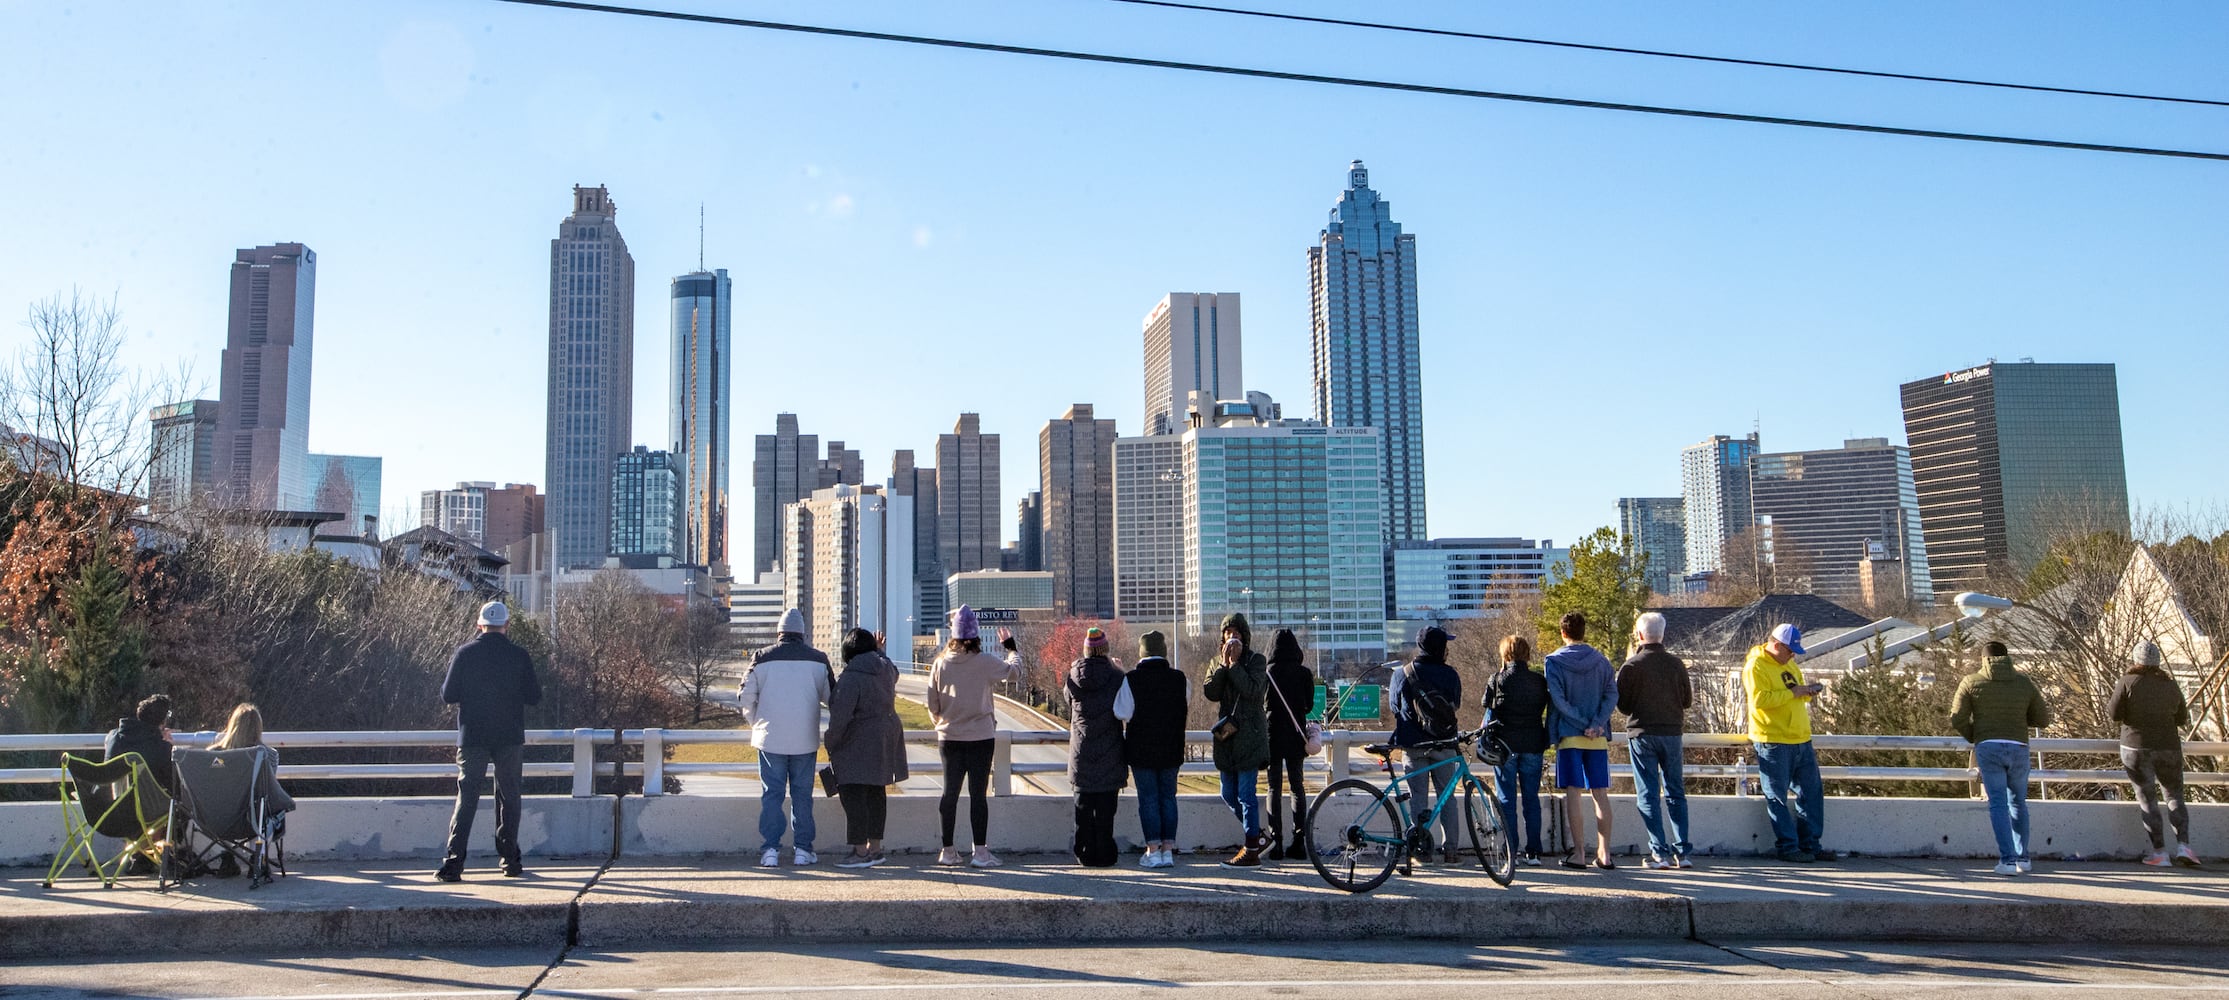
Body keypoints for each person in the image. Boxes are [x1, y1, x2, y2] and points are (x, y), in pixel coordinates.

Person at [438, 600, 543, 882]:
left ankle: (453, 863)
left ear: (479, 624)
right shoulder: (519, 656)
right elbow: (534, 697)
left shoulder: (465, 653)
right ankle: (510, 861)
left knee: (467, 796)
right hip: (509, 736)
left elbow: (448, 695)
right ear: (507, 625)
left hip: (473, 736)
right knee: (509, 795)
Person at [926, 605, 1024, 868]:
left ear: (953, 637)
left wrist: (943, 723)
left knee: (950, 793)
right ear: (976, 636)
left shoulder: (940, 664)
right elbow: (1014, 673)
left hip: (949, 737)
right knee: (978, 795)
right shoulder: (985, 662)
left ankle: (947, 851)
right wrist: (1012, 649)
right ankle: (980, 853)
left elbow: (932, 705)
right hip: (981, 737)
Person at [739, 608, 833, 868]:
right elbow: (832, 698)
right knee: (802, 796)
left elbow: (744, 696)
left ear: (779, 633)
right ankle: (803, 849)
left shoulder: (761, 658)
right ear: (802, 634)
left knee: (772, 795)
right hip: (805, 739)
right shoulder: (819, 660)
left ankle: (770, 849)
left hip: (770, 739)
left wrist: (756, 722)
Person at [1950, 640, 2052, 876]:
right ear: (2008, 659)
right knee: (2018, 802)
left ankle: (2006, 860)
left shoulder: (1971, 681)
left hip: (1989, 747)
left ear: (1983, 660)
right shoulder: (2024, 683)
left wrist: (1976, 735)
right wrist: (2017, 720)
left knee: (1998, 803)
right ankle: (2023, 858)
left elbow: (1957, 719)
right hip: (2018, 746)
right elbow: (2043, 719)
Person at [1744, 622, 1833, 863]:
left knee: (1811, 794)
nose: (1793, 655)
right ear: (1775, 645)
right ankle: (1788, 846)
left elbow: (1791, 693)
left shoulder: (1789, 663)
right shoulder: (1756, 665)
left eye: (1795, 651)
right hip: (1773, 740)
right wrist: (1794, 693)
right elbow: (1760, 699)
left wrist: (1805, 692)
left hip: (1800, 738)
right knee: (1776, 796)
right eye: (1789, 650)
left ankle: (1810, 844)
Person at [2108, 640, 2199, 868]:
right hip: (2168, 746)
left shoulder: (2127, 682)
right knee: (2175, 795)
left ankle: (2160, 853)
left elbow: (2114, 714)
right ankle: (2184, 847)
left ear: (2136, 660)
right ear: (2158, 661)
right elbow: (2181, 718)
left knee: (2147, 799)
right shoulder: (2170, 684)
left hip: (2136, 747)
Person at [824, 628, 908, 869]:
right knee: (875, 793)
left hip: (856, 742)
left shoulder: (851, 677)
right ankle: (875, 849)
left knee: (853, 794)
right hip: (884, 738)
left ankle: (860, 853)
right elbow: (892, 667)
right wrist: (880, 651)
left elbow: (840, 716)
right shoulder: (885, 670)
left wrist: (831, 741)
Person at [1618, 611, 1694, 869]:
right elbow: (1687, 701)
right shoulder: (1676, 664)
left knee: (1648, 793)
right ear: (1663, 634)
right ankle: (1682, 852)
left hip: (1642, 734)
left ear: (1639, 635)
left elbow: (1624, 707)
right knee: (1675, 792)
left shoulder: (1631, 666)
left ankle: (1659, 853)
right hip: (1672, 732)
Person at [1545, 612, 1618, 869]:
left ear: (1563, 632)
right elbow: (1611, 694)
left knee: (1574, 793)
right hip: (1596, 737)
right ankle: (1605, 853)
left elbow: (1558, 699)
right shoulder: (1601, 661)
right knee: (1600, 793)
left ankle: (1579, 854)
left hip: (1569, 734)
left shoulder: (1553, 662)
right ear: (1583, 631)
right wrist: (1596, 723)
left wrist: (1579, 722)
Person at [1390, 626, 1463, 863]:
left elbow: (1394, 708)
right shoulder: (1450, 674)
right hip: (1444, 744)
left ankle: (1420, 851)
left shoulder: (1403, 673)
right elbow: (1455, 705)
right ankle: (1451, 851)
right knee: (1447, 797)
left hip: (1414, 745)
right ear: (1442, 648)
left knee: (1417, 797)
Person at [1203, 613, 1271, 868]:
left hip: (1250, 736)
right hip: (1227, 737)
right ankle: (1258, 837)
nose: (1232, 638)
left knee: (1246, 794)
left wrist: (1235, 666)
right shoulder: (1216, 662)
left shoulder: (1256, 660)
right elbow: (1211, 691)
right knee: (1227, 792)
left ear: (1245, 636)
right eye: (1227, 633)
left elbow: (1254, 691)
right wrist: (1223, 665)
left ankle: (1251, 848)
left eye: (1237, 633)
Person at [1122, 631, 1189, 868]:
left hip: (1141, 750)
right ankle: (1168, 850)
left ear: (1141, 653)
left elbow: (1122, 712)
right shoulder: (1179, 679)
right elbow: (1184, 704)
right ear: (1164, 651)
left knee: (1148, 799)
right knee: (1168, 798)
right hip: (1171, 749)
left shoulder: (1131, 679)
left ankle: (1152, 851)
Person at [1483, 635, 1549, 866]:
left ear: (1505, 654)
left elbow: (1487, 710)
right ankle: (1534, 852)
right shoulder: (1539, 681)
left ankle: (1511, 849)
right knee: (1531, 798)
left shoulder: (1497, 679)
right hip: (1533, 743)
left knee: (1506, 799)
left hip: (1505, 747)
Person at [1065, 627, 1127, 867]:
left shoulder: (1072, 676)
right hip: (1110, 752)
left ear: (1086, 651)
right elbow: (1125, 708)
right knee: (1105, 811)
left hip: (1081, 753)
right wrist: (1120, 670)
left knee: (1082, 810)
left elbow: (1068, 701)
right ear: (1105, 650)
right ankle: (1105, 853)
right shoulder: (1117, 677)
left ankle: (1083, 852)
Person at [1263, 629, 1316, 861]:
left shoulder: (1268, 673)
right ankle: (1299, 842)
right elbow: (1308, 705)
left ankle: (1276, 843)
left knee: (1273, 788)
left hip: (1272, 735)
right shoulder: (1304, 673)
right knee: (1297, 786)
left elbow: (1262, 704)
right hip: (1296, 735)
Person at [209, 702, 297, 817]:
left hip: (217, 817)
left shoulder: (214, 755)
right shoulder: (269, 755)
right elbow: (267, 790)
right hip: (252, 819)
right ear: (258, 728)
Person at [105, 694, 176, 795]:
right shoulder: (161, 749)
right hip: (146, 808)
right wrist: (171, 748)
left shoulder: (113, 737)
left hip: (113, 806)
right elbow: (174, 786)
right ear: (163, 722)